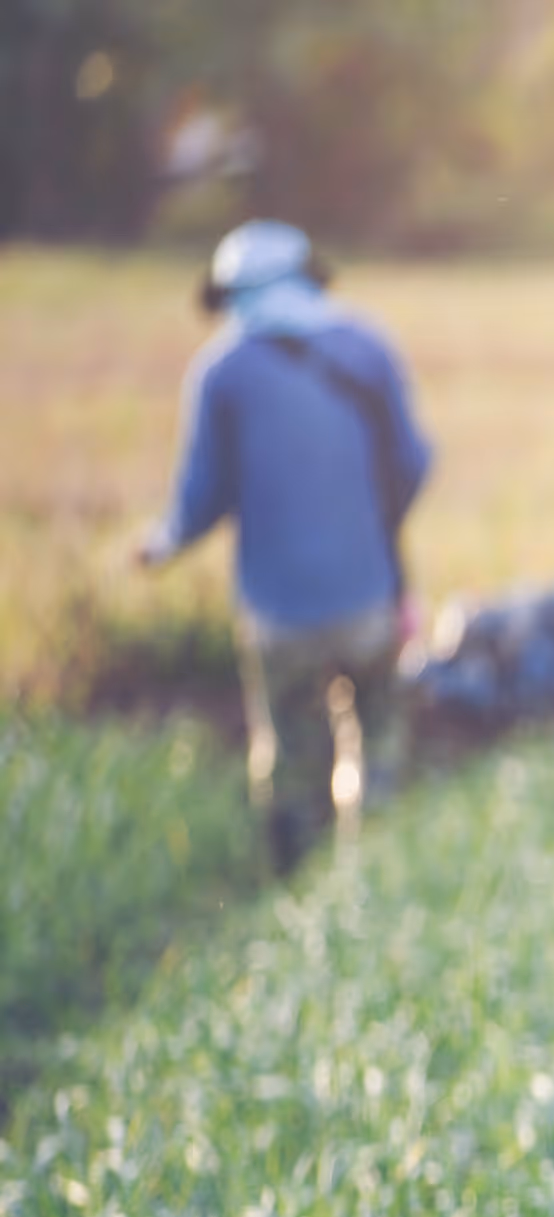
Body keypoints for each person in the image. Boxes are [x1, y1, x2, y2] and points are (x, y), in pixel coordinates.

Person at [138, 219, 433, 874]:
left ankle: (292, 880)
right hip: (370, 596)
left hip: (276, 612)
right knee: (378, 736)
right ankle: (368, 871)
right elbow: (412, 463)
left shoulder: (222, 373)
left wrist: (160, 545)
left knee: (290, 749)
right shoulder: (367, 348)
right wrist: (371, 526)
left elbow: (200, 499)